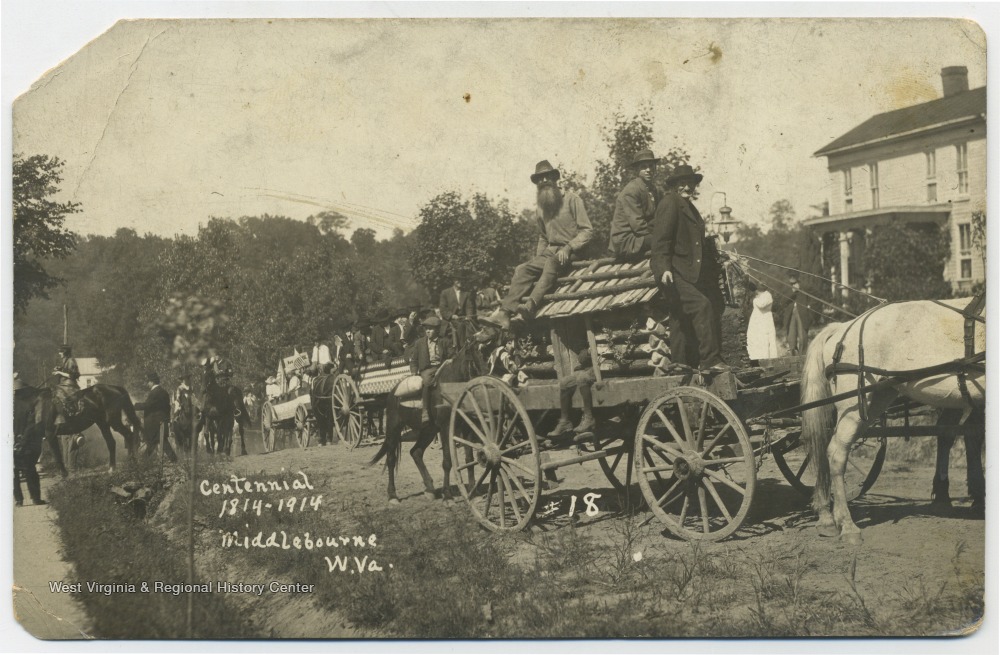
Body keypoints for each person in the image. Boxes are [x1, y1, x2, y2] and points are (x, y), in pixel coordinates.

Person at [484, 160, 593, 329]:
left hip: (574, 250)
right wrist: (537, 261)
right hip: (552, 251)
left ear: (554, 178)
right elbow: (543, 237)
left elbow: (587, 231)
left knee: (552, 263)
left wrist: (568, 247)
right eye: (540, 179)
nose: (543, 181)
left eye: (547, 177)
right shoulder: (541, 208)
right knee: (522, 269)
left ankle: (530, 306)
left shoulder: (572, 199)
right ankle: (504, 314)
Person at [649, 164, 727, 371]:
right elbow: (660, 241)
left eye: (690, 183)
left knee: (679, 316)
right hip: (673, 273)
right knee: (702, 305)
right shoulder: (670, 203)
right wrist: (663, 269)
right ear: (674, 186)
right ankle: (710, 361)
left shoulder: (689, 207)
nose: (687, 187)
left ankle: (679, 363)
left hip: (686, 273)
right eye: (682, 183)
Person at [609, 149, 658, 258]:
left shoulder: (653, 189)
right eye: (644, 167)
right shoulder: (632, 190)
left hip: (640, 236)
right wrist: (660, 233)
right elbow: (638, 226)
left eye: (651, 166)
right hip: (626, 240)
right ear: (637, 170)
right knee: (664, 240)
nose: (648, 170)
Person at [409, 315, 451, 425]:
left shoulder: (445, 341)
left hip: (442, 367)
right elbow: (414, 360)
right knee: (427, 382)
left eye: (430, 329)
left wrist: (450, 360)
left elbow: (452, 355)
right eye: (426, 329)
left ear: (437, 330)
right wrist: (414, 371)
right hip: (428, 369)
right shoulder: (419, 343)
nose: (428, 331)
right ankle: (425, 410)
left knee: (450, 381)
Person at [135, 371, 177, 462]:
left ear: (152, 382)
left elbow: (147, 405)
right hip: (161, 422)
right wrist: (166, 419)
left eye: (148, 382)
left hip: (154, 423)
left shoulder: (155, 392)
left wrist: (134, 406)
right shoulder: (164, 392)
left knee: (158, 442)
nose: (147, 384)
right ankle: (144, 461)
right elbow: (168, 408)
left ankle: (174, 460)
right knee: (156, 442)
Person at [782, 276, 815, 355]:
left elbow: (815, 296)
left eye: (795, 283)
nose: (793, 285)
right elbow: (783, 302)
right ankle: (793, 357)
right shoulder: (788, 290)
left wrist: (809, 306)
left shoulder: (805, 288)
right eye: (791, 284)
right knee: (791, 338)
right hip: (791, 314)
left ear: (799, 282)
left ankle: (802, 356)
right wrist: (792, 292)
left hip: (802, 314)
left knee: (802, 337)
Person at [746, 283, 779, 360]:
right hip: (757, 321)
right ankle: (756, 358)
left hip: (765, 320)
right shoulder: (759, 296)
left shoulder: (767, 295)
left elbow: (761, 304)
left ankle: (767, 358)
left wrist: (755, 299)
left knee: (765, 340)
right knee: (756, 339)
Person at [52, 344, 81, 425]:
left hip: (70, 385)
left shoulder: (71, 361)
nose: (59, 353)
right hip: (64, 384)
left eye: (61, 352)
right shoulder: (66, 360)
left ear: (65, 352)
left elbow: (72, 375)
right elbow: (66, 370)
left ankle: (65, 415)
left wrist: (59, 372)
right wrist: (59, 368)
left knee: (59, 395)